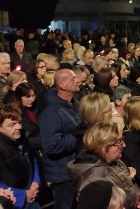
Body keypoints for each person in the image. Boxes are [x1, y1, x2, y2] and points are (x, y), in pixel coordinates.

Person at [68, 121, 140, 209]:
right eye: (119, 143)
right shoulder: (91, 180)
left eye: (122, 140)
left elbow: (127, 182)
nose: (124, 145)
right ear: (103, 147)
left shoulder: (115, 161)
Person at [38, 69, 82, 209]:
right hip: (62, 174)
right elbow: (52, 146)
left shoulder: (74, 103)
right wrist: (78, 137)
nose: (77, 81)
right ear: (62, 85)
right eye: (72, 79)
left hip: (75, 169)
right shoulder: (51, 112)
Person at [0, 104, 40, 209]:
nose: (19, 127)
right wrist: (23, 195)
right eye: (12, 124)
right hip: (14, 203)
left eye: (19, 122)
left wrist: (36, 181)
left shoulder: (22, 140)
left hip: (32, 198)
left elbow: (32, 161)